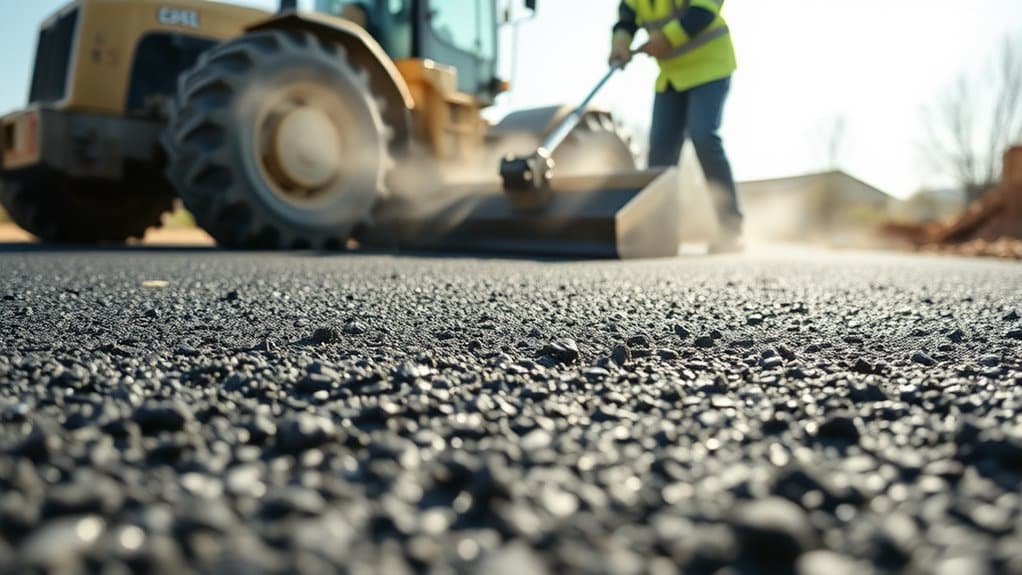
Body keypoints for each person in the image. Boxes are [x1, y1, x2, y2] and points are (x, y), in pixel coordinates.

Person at [609, 0, 743, 253]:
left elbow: (704, 9)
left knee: (704, 135)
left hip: (710, 65)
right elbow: (627, 18)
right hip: (671, 77)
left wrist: (667, 37)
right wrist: (620, 43)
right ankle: (658, 233)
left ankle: (730, 229)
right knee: (660, 154)